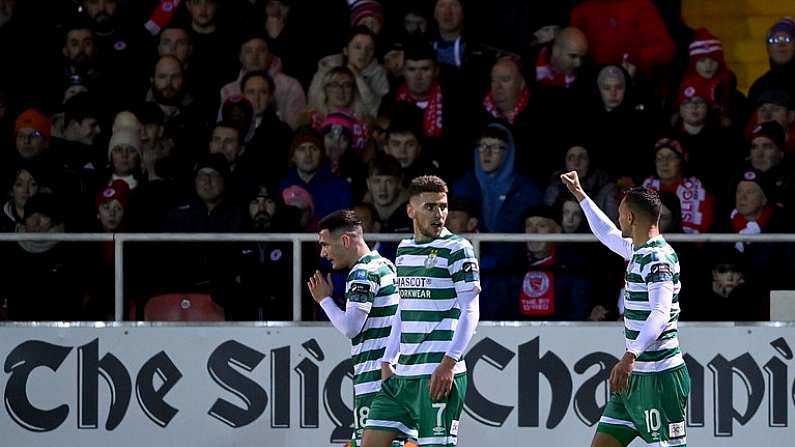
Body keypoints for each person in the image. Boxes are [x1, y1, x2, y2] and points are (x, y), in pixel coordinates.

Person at [561, 171, 689, 447]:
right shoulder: (639, 251)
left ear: (630, 217)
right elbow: (606, 233)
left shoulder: (657, 258)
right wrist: (581, 195)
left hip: (659, 377)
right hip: (634, 380)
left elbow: (660, 313)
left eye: (620, 213)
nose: (617, 219)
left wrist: (630, 355)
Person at [362, 175, 480, 447]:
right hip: (402, 376)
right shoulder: (403, 250)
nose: (439, 214)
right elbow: (404, 308)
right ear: (411, 210)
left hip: (437, 372)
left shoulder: (458, 249)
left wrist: (449, 363)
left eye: (443, 206)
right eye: (430, 207)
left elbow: (471, 310)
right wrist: (387, 359)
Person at [307, 209, 400, 447]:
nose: (323, 252)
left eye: (325, 244)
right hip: (392, 379)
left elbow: (351, 328)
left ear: (346, 240)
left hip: (374, 381)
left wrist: (324, 300)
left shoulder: (362, 272)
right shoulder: (385, 265)